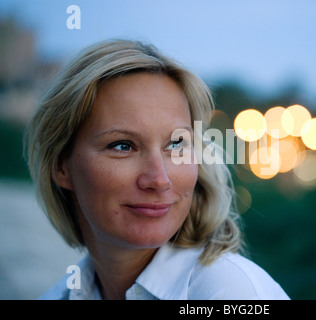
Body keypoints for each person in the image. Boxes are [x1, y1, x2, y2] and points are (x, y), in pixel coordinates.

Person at [25, 39, 290, 300]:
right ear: (62, 166)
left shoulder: (228, 292)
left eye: (176, 144)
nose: (159, 179)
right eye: (123, 146)